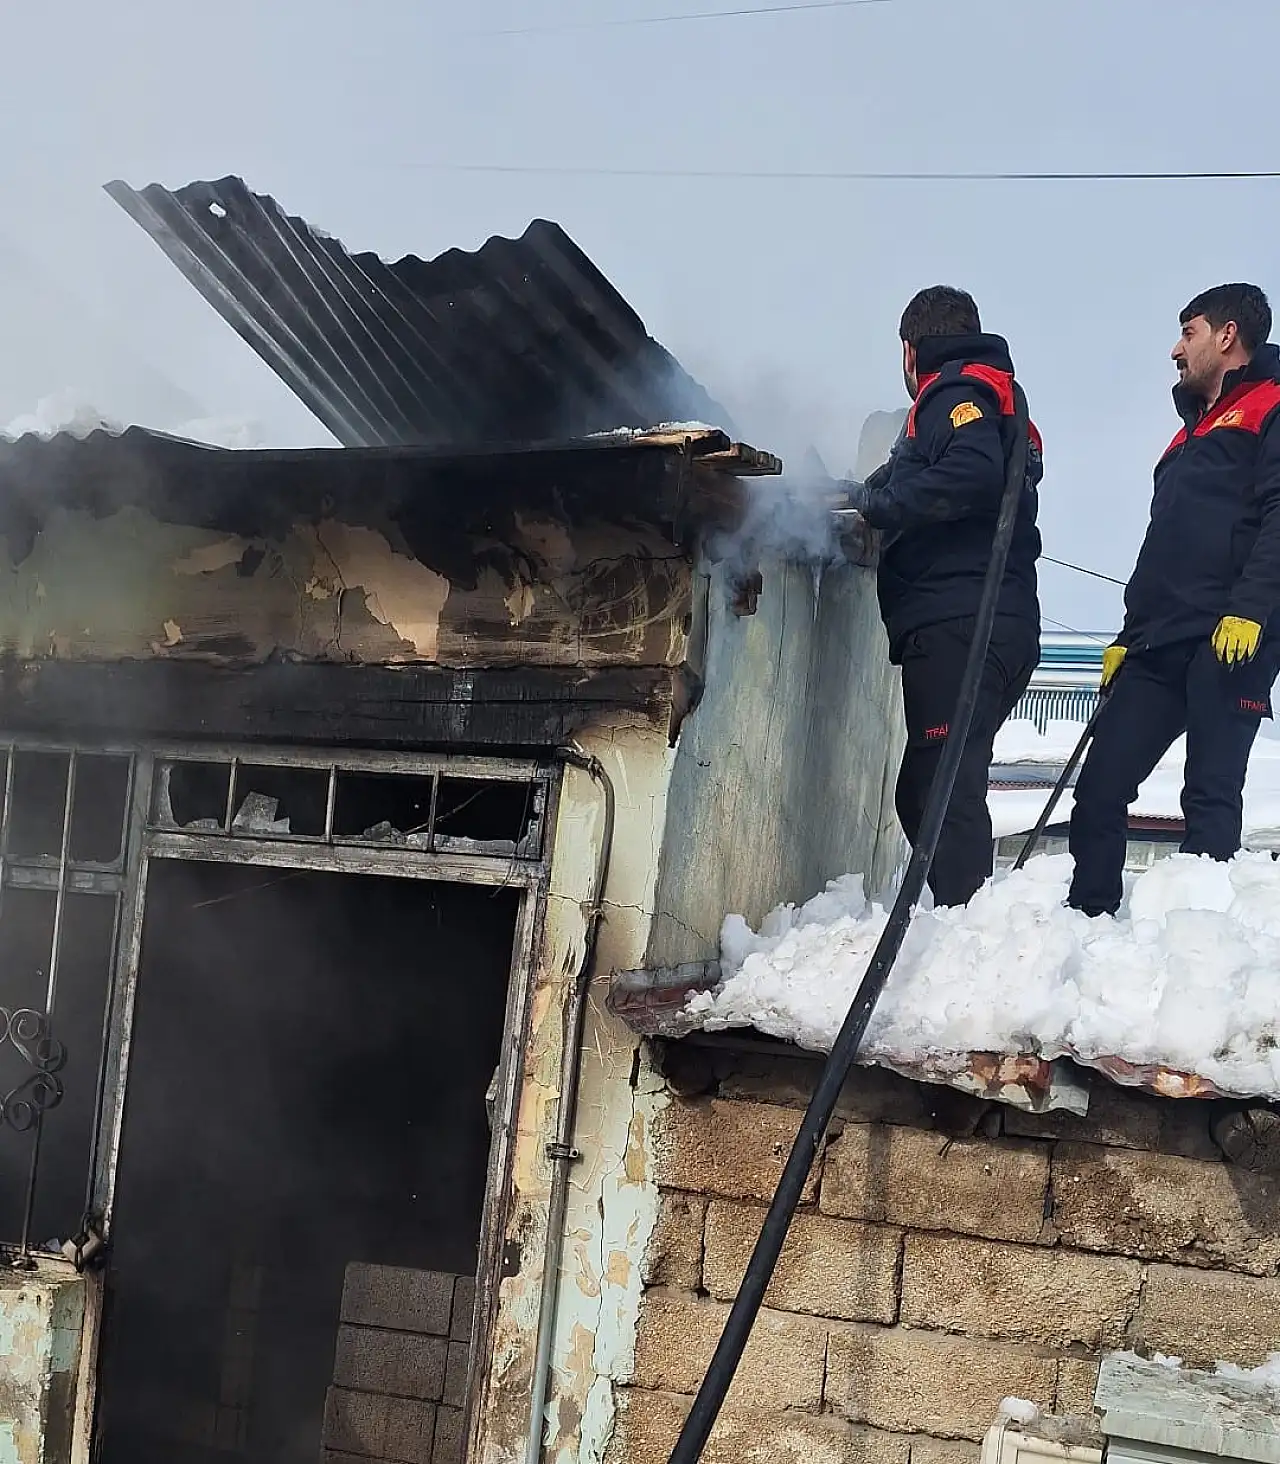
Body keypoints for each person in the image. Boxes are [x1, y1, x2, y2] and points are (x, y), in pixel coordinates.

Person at [1068, 283, 1280, 917]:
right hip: (1158, 640)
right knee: (1100, 787)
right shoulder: (1184, 437)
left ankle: (1200, 953)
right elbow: (1161, 547)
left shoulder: (1271, 406)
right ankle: (1086, 927)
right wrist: (1127, 636)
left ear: (1227, 335)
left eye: (1187, 333)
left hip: (1232, 632)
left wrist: (1253, 607)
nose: (1174, 349)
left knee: (1210, 793)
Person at [844, 286, 1043, 907]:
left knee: (939, 792)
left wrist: (879, 504)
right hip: (986, 622)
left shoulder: (953, 391)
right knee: (931, 787)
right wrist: (880, 482)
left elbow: (972, 475)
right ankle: (965, 923)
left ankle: (965, 927)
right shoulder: (992, 394)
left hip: (961, 622)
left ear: (911, 350)